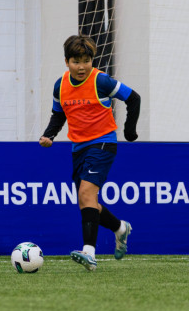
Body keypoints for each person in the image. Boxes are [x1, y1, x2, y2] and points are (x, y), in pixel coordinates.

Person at [39, 35, 141, 271]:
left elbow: (133, 98)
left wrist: (130, 131)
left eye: (86, 61)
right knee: (88, 201)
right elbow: (58, 114)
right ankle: (120, 228)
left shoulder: (101, 81)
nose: (82, 66)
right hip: (78, 148)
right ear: (67, 61)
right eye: (76, 61)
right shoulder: (60, 86)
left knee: (86, 193)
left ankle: (89, 253)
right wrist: (49, 135)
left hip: (103, 143)